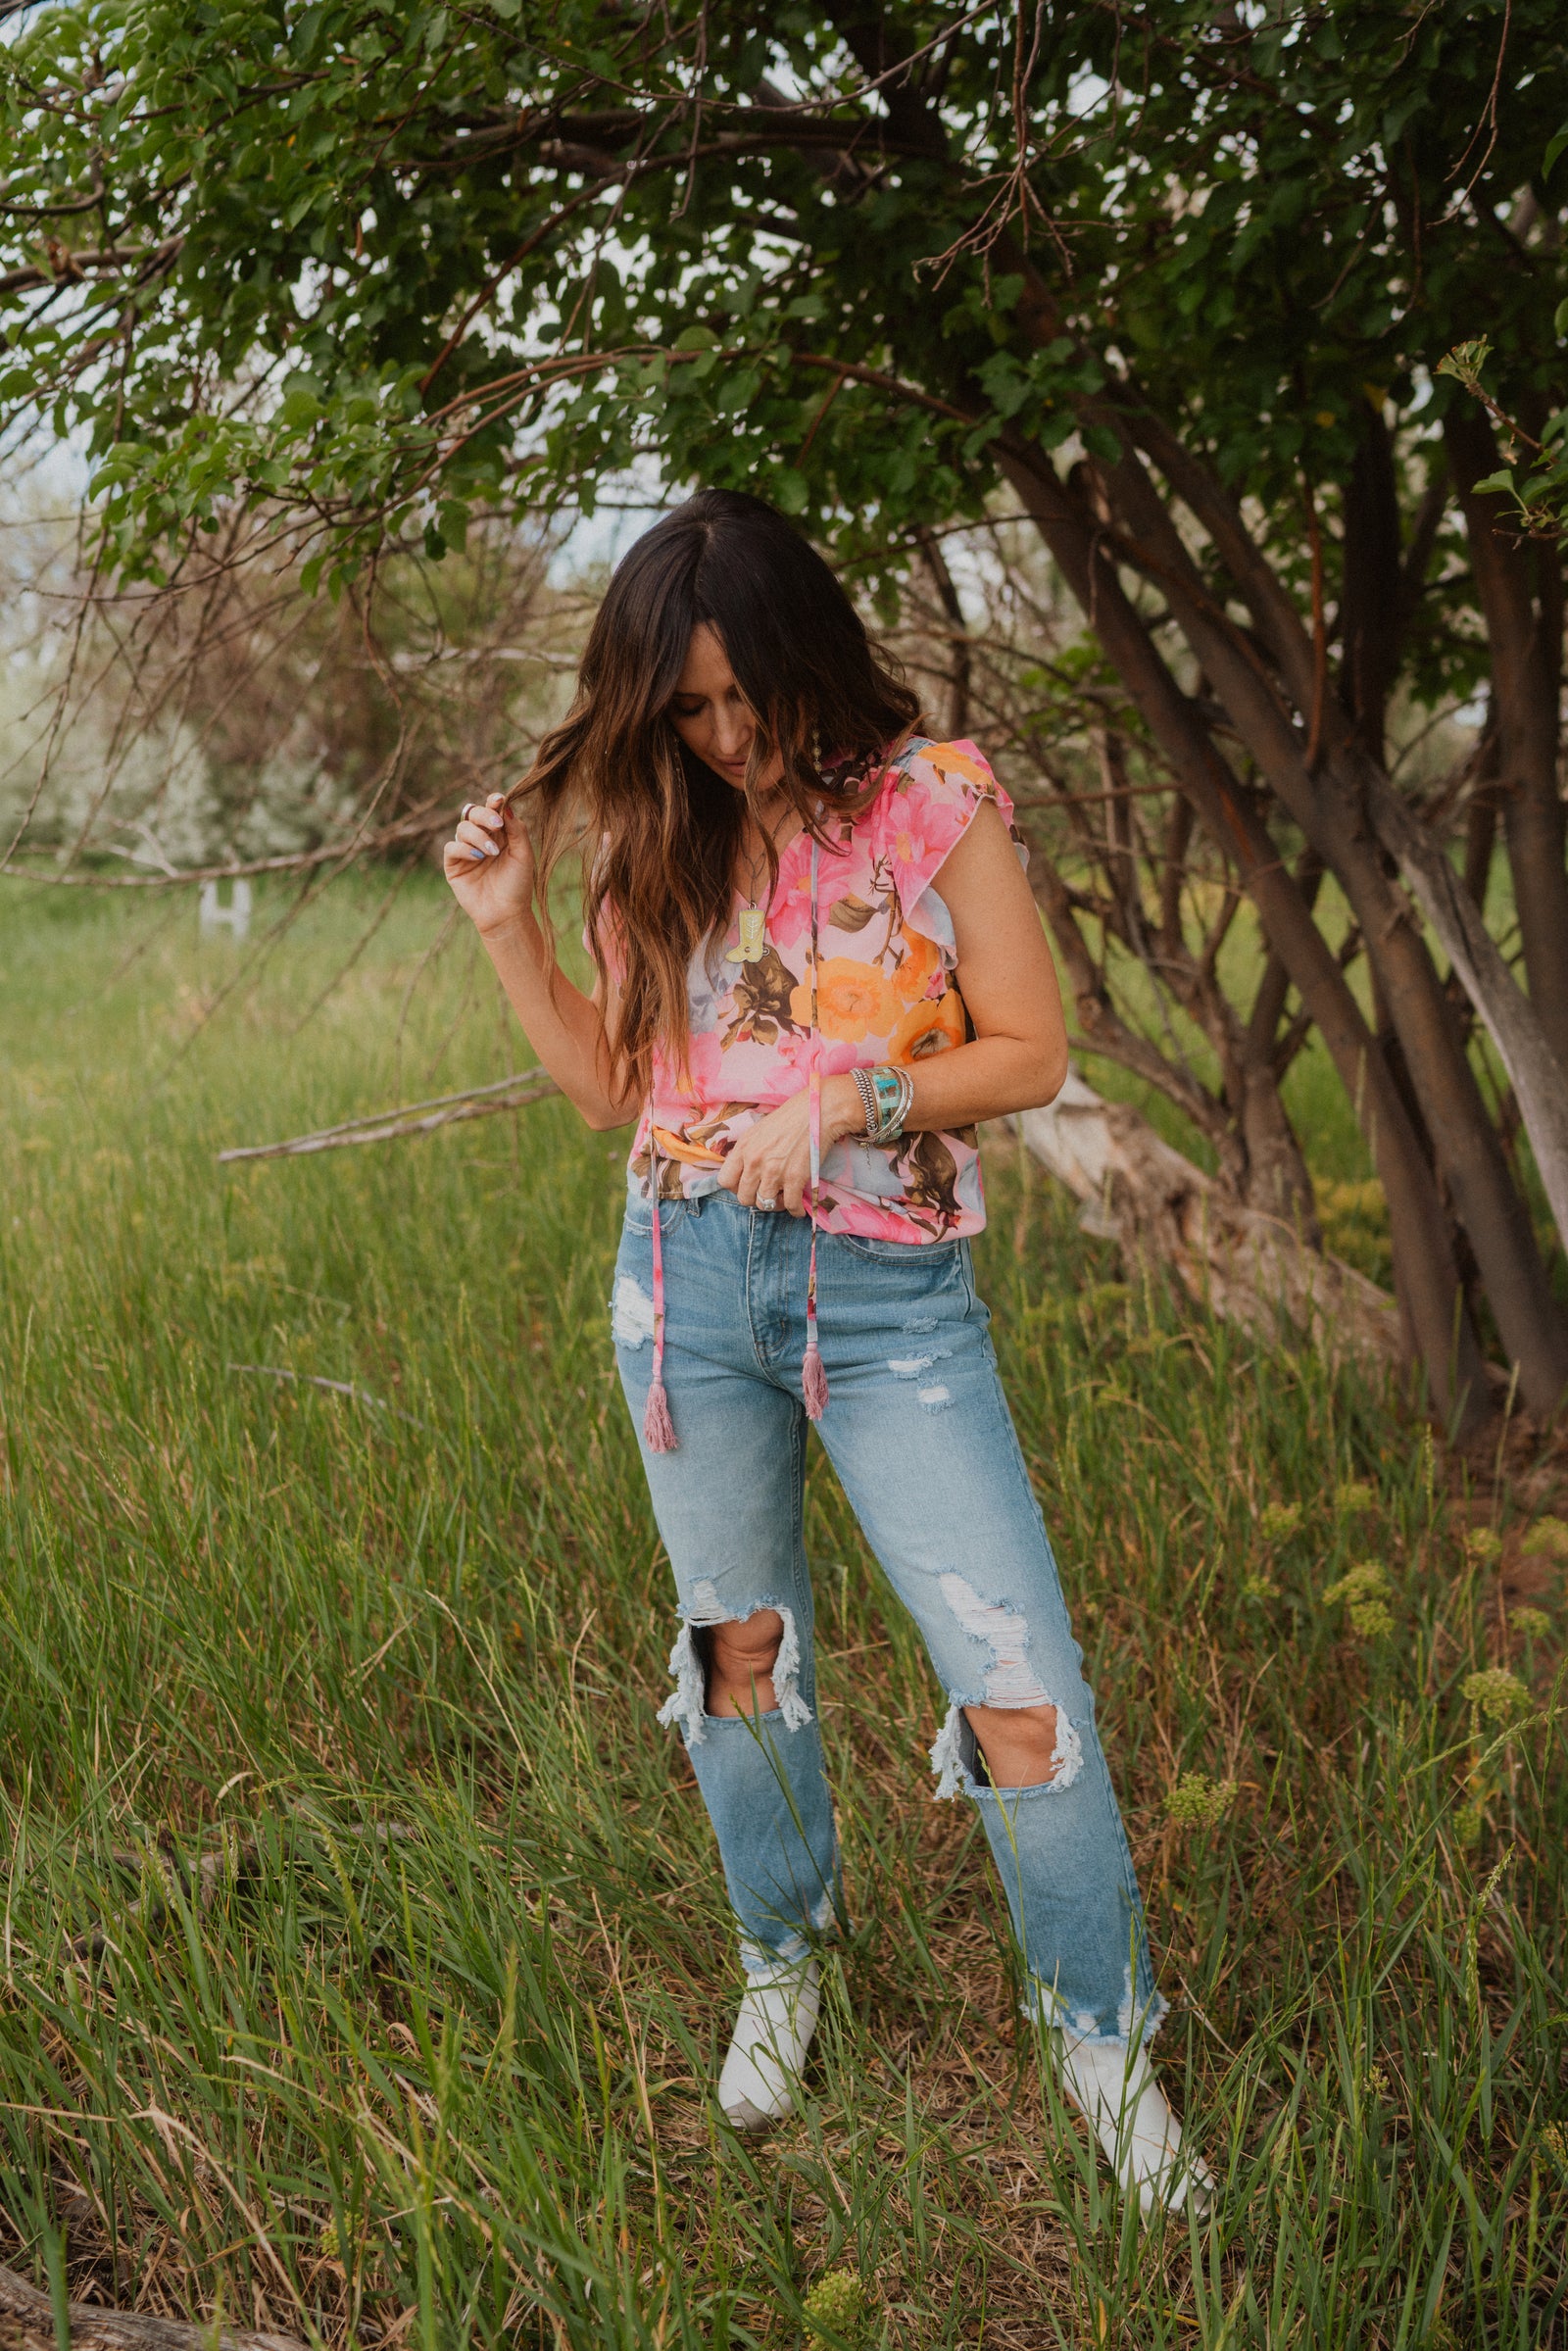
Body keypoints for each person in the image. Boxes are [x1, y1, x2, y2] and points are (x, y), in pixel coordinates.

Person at [444, 489, 1210, 2216]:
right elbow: (612, 1093)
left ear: (807, 653)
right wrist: (504, 925)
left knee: (1017, 1683)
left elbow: (1030, 1051)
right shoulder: (659, 833)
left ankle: (1102, 2036)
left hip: (888, 1308)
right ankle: (784, 1959)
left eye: (745, 696)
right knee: (740, 1653)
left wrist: (853, 1097)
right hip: (684, 1287)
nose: (725, 737)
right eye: (687, 709)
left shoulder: (932, 802)